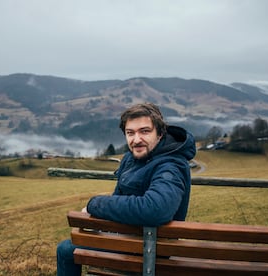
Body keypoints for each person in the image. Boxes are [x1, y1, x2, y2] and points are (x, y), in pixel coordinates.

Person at [56, 103, 196, 275]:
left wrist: (95, 204)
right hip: (129, 240)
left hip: (151, 250)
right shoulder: (131, 159)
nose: (136, 139)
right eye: (130, 133)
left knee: (65, 250)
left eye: (144, 131)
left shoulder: (170, 165)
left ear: (160, 133)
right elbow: (118, 197)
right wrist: (101, 222)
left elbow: (156, 209)